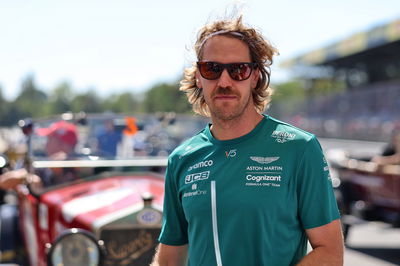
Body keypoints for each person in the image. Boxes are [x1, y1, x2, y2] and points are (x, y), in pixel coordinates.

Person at [151, 15, 343, 266]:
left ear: (255, 76)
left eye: (238, 69)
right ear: (198, 76)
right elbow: (168, 260)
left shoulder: (299, 148)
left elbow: (330, 252)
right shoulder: (181, 158)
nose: (224, 81)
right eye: (212, 69)